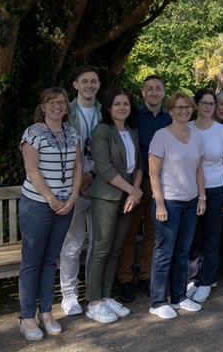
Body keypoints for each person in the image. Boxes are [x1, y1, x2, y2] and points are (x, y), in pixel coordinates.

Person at [18, 87, 82, 340]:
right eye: (51, 102)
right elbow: (32, 170)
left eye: (61, 102)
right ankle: (26, 317)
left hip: (66, 206)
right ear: (42, 107)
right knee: (32, 261)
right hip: (38, 205)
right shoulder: (33, 133)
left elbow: (78, 166)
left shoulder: (72, 131)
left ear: (67, 107)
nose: (57, 106)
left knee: (50, 259)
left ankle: (46, 312)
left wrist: (74, 196)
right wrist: (51, 199)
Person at [84, 87, 143, 323]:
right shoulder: (102, 131)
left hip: (129, 198)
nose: (122, 107)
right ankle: (93, 301)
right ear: (109, 108)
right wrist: (132, 191)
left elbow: (139, 164)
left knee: (116, 249)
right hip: (106, 197)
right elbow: (105, 168)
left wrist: (134, 193)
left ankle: (106, 297)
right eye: (117, 104)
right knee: (101, 249)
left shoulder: (132, 131)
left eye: (126, 104)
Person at [148, 93, 206, 319]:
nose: (183, 111)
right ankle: (158, 301)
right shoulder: (161, 136)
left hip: (190, 202)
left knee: (182, 252)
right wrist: (159, 203)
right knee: (164, 253)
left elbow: (198, 170)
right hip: (169, 203)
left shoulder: (196, 136)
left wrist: (202, 197)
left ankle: (180, 297)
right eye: (179, 108)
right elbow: (153, 173)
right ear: (170, 111)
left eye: (187, 107)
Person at [117, 75, 171, 302]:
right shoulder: (133, 117)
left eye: (158, 89)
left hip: (161, 182)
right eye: (149, 89)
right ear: (143, 92)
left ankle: (147, 276)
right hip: (135, 182)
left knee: (153, 233)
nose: (154, 93)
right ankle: (125, 279)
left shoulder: (169, 119)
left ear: (163, 92)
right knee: (128, 232)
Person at [186, 89, 223, 302]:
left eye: (211, 103)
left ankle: (206, 282)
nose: (208, 107)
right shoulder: (186, 128)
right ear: (196, 105)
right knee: (192, 238)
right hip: (190, 191)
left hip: (216, 190)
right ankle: (193, 279)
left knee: (211, 237)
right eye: (204, 103)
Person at [60, 65, 101, 317]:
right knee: (72, 245)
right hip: (72, 189)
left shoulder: (104, 112)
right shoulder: (65, 113)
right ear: (75, 85)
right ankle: (69, 295)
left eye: (93, 81)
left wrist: (92, 175)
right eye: (84, 81)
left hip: (99, 185)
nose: (89, 85)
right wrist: (79, 181)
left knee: (98, 244)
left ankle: (94, 293)